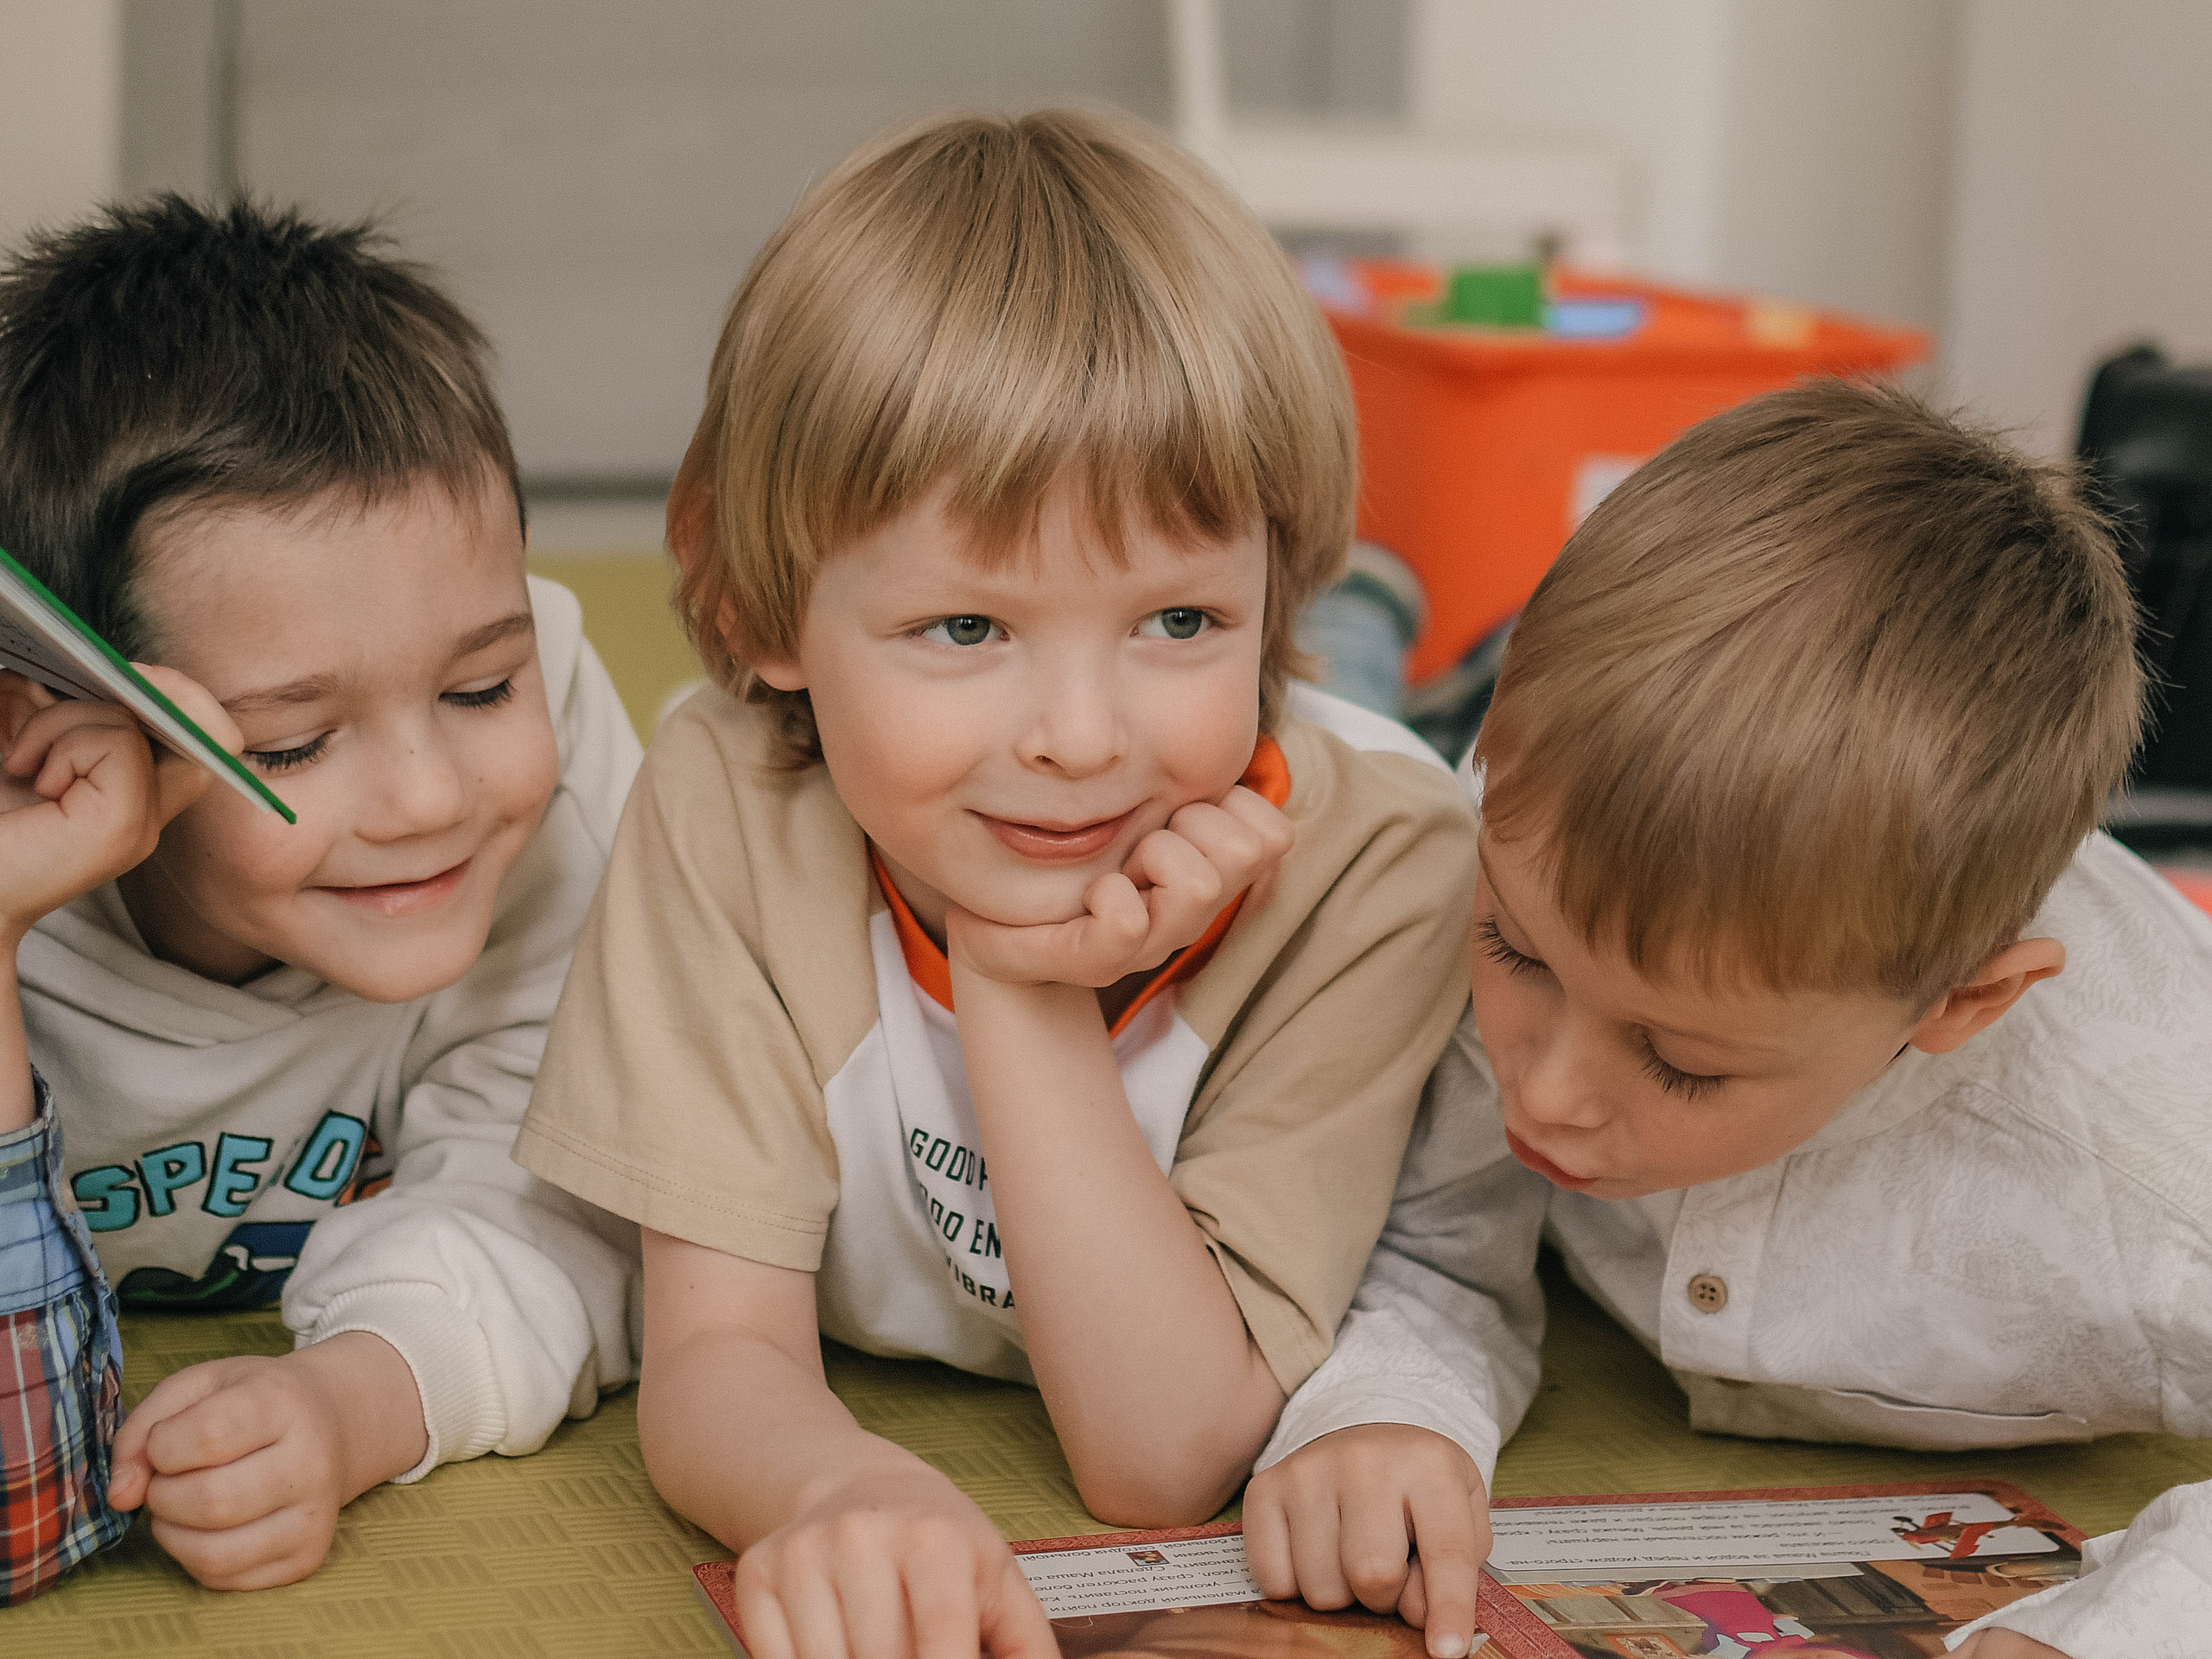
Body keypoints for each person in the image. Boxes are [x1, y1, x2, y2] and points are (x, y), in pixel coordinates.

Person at [514, 107, 1478, 1659]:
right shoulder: (724, 786)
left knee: (1462, 735)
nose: (1080, 743)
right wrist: (834, 1485)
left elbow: (1161, 1458)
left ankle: (1368, 626)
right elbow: (718, 1350)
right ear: (761, 610)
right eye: (967, 630)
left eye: (1181, 617)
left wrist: (1021, 983)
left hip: (1365, 757)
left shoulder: (1388, 865)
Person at [1236, 380, 2212, 1659]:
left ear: (1960, 1005)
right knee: (1340, 736)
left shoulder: (2154, 1174)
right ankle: (1373, 620)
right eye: (1515, 954)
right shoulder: (1509, 859)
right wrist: (1386, 1409)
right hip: (1448, 753)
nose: (1547, 1094)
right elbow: (1436, 1238)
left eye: (1682, 1064)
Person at [0, 198, 642, 1599]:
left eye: (482, 687)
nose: (425, 799)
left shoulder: (562, 800)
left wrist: (348, 1406)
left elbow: (576, 1205)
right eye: (288, 744)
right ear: (80, 721)